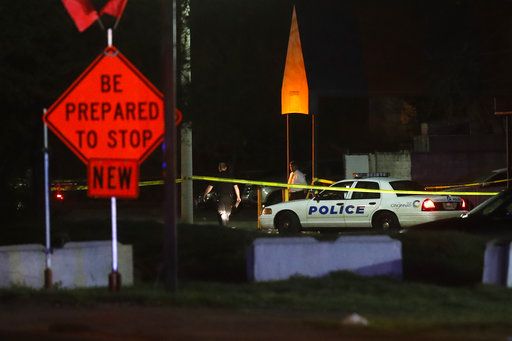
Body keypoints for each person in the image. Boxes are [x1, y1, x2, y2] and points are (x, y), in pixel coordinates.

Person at [203, 162, 241, 226]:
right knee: (227, 214)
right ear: (225, 168)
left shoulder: (217, 176)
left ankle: (223, 228)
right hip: (229, 198)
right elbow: (236, 187)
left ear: (219, 168)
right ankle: (225, 228)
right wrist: (238, 197)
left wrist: (205, 194)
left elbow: (210, 187)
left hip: (221, 198)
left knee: (221, 214)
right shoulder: (231, 176)